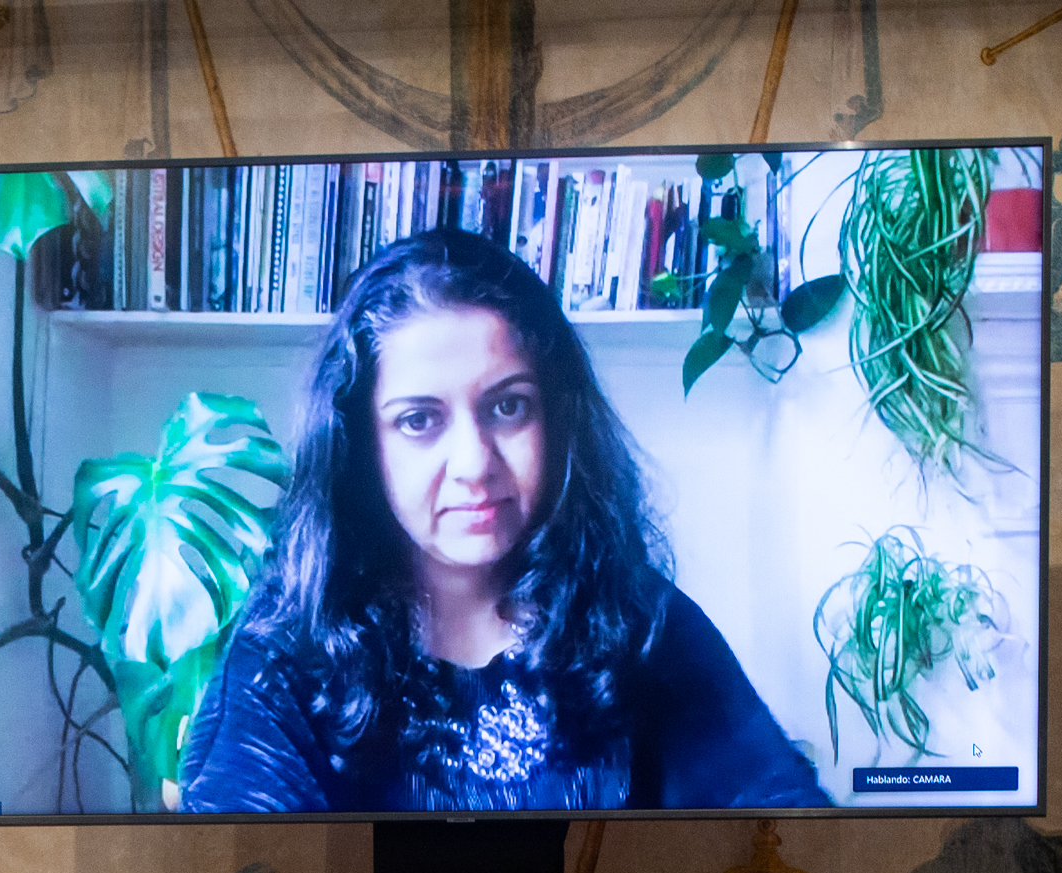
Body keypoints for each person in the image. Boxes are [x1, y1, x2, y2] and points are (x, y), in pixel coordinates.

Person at [177, 227, 822, 815]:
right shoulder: (284, 653)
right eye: (419, 421)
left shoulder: (636, 618)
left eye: (508, 407)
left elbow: (785, 830)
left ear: (558, 418)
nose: (474, 464)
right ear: (361, 448)